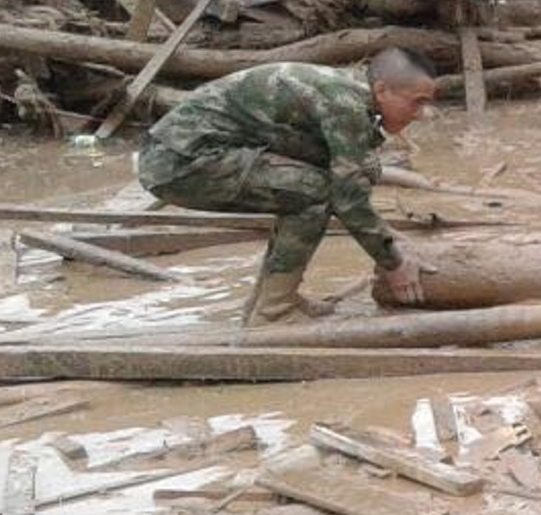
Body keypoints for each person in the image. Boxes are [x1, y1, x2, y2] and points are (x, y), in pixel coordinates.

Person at [138, 50, 436, 322]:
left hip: (190, 154)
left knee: (332, 180)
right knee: (313, 193)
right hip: (180, 163)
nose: (423, 113)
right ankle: (274, 311)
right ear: (382, 89)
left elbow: (351, 177)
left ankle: (270, 299)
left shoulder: (350, 91)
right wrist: (394, 263)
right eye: (417, 101)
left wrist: (390, 238)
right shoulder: (345, 104)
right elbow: (347, 199)